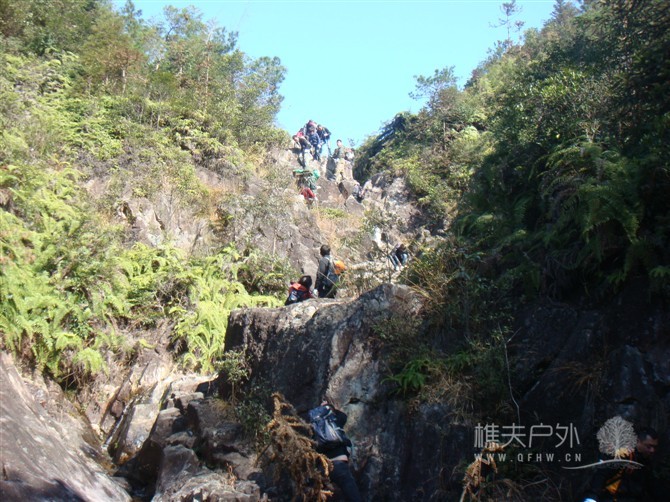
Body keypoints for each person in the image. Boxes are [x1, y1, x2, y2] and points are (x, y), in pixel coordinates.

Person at [582, 426, 662, 501]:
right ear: (638, 441)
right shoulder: (622, 454)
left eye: (654, 447)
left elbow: (651, 487)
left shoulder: (645, 462)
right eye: (649, 446)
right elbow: (601, 475)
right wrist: (592, 497)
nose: (652, 450)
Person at [312, 401, 362, 502]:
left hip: (322, 468)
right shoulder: (335, 420)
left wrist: (321, 409)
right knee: (354, 498)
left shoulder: (316, 428)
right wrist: (330, 408)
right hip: (339, 465)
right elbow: (343, 416)